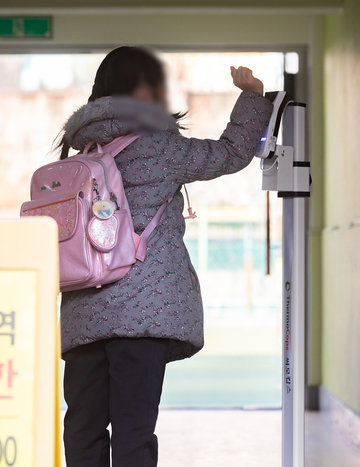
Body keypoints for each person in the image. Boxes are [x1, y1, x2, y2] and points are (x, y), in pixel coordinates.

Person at [58, 47, 273, 467]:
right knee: (133, 430)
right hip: (142, 315)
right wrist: (253, 95)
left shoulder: (79, 150)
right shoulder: (156, 145)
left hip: (84, 314)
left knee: (82, 428)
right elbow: (229, 153)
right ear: (142, 88)